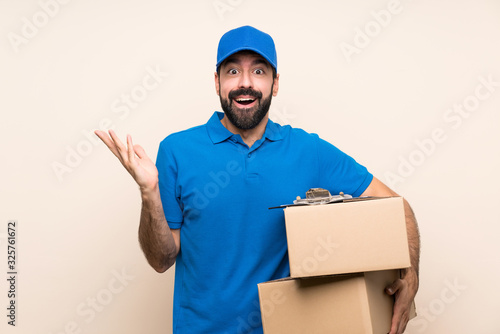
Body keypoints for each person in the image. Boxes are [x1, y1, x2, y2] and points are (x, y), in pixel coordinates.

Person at [95, 25, 420, 334]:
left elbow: (396, 206)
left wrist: (411, 275)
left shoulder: (309, 151)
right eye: (232, 71)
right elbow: (161, 260)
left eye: (259, 71)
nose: (244, 83)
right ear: (217, 81)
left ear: (275, 83)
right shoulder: (177, 150)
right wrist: (149, 192)